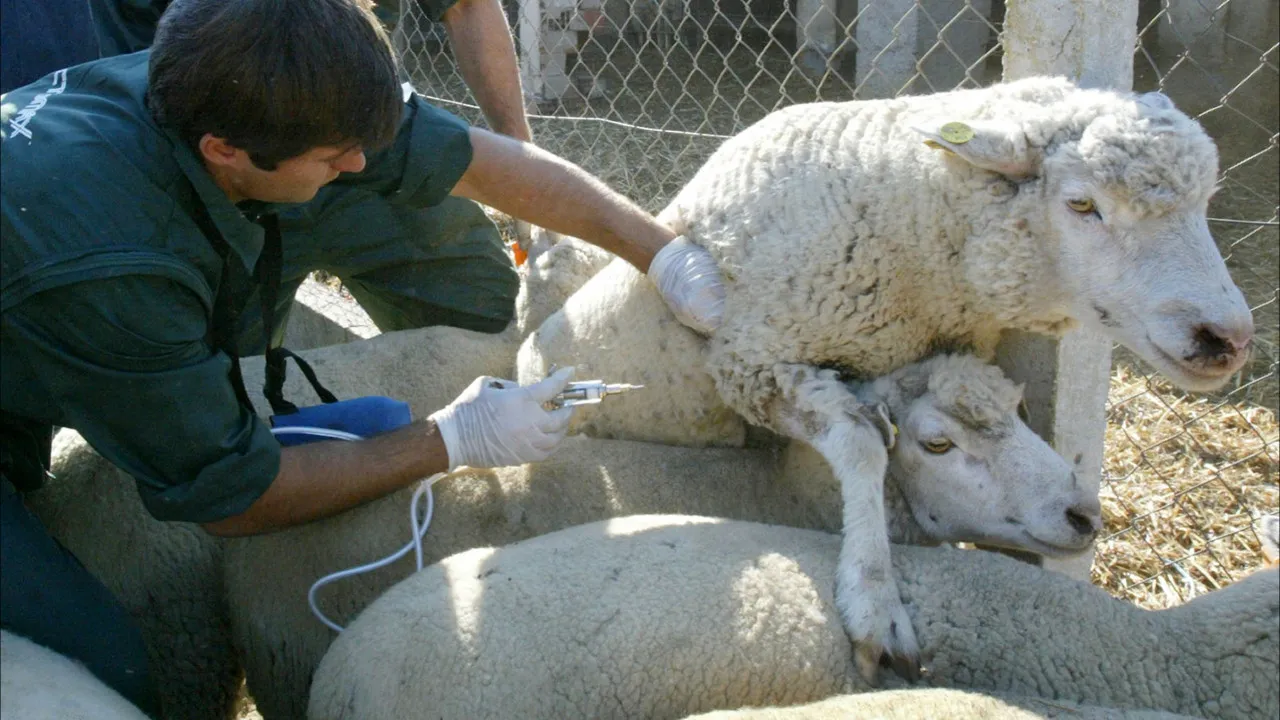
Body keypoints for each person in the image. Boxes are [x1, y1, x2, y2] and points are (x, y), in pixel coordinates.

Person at [0, 0, 726, 715]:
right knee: (103, 679)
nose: (358, 164)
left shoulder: (262, 80)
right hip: (54, 281)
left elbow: (481, 163)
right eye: (332, 158)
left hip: (42, 304)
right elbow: (234, 498)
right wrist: (451, 440)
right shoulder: (115, 269)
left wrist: (661, 254)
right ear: (225, 151)